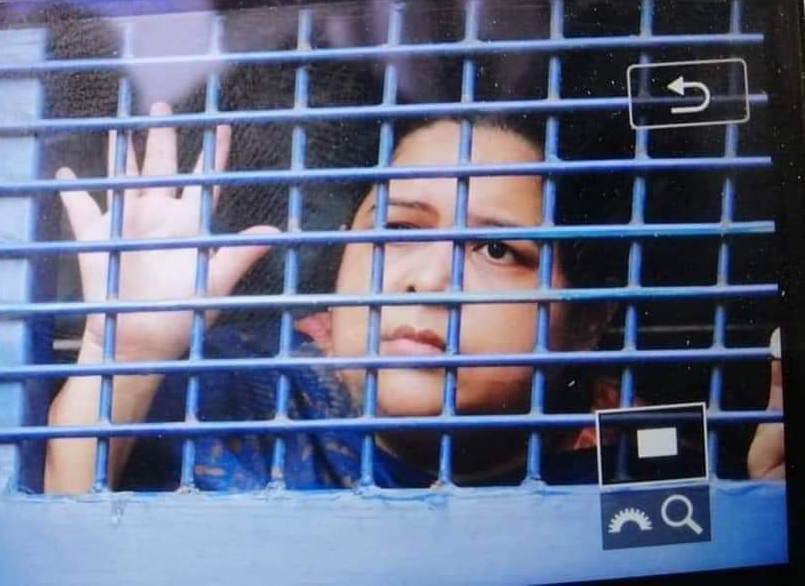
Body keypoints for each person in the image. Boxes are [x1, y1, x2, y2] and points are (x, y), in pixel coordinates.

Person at [44, 104, 785, 493]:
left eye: (497, 250)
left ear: (586, 319)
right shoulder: (232, 393)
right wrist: (125, 358)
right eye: (397, 230)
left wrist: (761, 503)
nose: (428, 281)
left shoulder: (653, 462)